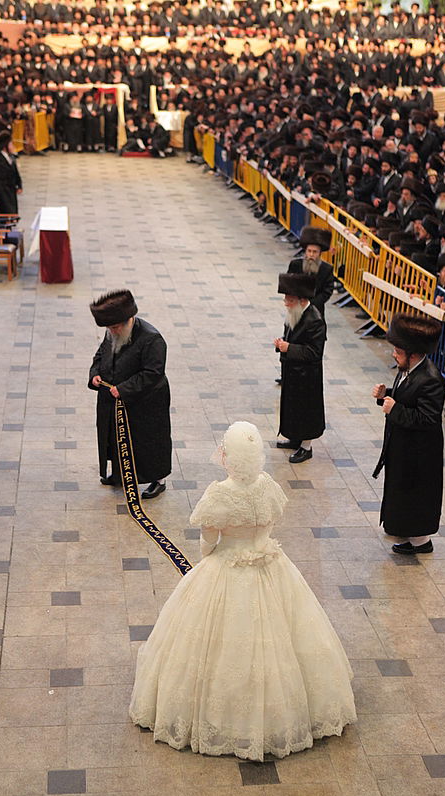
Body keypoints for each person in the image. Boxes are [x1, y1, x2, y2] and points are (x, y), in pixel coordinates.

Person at [129, 421, 356, 761]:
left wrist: (211, 556)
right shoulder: (267, 486)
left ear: (229, 456)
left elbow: (208, 541)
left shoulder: (219, 494)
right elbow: (271, 522)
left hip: (227, 566)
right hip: (271, 566)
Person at [88, 290, 171, 500]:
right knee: (115, 436)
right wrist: (95, 373)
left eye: (115, 327)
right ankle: (120, 473)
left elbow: (153, 373)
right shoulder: (113, 332)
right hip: (113, 397)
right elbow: (101, 354)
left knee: (148, 441)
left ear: (128, 320)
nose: (112, 332)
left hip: (145, 401)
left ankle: (158, 480)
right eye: (109, 328)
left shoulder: (152, 339)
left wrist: (124, 389)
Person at [372, 313, 444, 555]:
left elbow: (427, 418)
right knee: (402, 494)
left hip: (419, 453)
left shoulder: (431, 379)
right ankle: (409, 535)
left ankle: (421, 542)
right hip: (404, 447)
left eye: (398, 351)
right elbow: (407, 396)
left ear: (412, 354)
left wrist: (395, 409)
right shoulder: (408, 369)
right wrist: (386, 395)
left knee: (415, 497)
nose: (394, 354)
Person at [274, 272, 326, 464]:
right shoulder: (295, 313)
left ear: (302, 300)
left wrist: (289, 348)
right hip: (293, 372)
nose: (286, 303)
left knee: (306, 411)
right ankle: (295, 438)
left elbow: (315, 352)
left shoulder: (315, 320)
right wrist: (281, 344)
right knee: (292, 408)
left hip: (307, 376)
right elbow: (291, 337)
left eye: (290, 300)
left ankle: (306, 446)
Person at [287, 226, 334, 318]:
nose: (311, 255)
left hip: (316, 310)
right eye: (309, 251)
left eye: (315, 252)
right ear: (305, 251)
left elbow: (327, 291)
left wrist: (309, 303)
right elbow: (288, 285)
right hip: (296, 308)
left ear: (320, 253)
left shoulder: (326, 269)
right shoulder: (295, 264)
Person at [0, 131, 22, 215]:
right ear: (5, 146)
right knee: (8, 212)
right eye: (11, 144)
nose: (13, 146)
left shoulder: (11, 157)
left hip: (11, 190)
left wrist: (19, 185)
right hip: (3, 192)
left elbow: (16, 172)